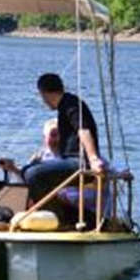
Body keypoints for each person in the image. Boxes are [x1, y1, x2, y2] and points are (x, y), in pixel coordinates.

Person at [22, 73, 105, 210]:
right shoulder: (64, 106)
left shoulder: (71, 104)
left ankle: (58, 216)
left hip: (80, 162)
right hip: (69, 159)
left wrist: (93, 158)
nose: (43, 101)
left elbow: (83, 130)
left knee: (33, 174)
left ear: (44, 93)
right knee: (29, 170)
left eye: (42, 96)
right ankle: (61, 212)